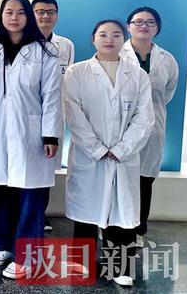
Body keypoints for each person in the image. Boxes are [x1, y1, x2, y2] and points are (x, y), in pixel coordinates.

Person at [0, 0, 61, 279]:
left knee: (29, 195)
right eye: (8, 12)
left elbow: (51, 95)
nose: (14, 17)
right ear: (1, 16)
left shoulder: (45, 52)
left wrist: (51, 135)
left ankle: (28, 256)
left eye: (20, 12)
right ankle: (2, 244)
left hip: (31, 133)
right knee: (0, 192)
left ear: (28, 17)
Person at [64, 19, 154, 287]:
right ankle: (82, 263)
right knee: (86, 213)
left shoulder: (137, 75)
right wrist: (98, 148)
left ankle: (120, 266)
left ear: (123, 40)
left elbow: (144, 117)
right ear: (93, 39)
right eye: (103, 34)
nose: (109, 39)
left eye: (116, 35)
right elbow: (74, 113)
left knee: (122, 213)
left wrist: (121, 149)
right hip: (89, 155)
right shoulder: (76, 72)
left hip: (124, 156)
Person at [120, 7, 179, 247]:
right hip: (121, 128)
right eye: (138, 21)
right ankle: (116, 227)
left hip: (152, 127)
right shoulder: (117, 53)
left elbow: (167, 92)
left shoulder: (167, 59)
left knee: (144, 181)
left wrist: (147, 113)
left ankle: (138, 228)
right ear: (129, 26)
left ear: (157, 28)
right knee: (120, 180)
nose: (144, 26)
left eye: (150, 22)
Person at [32, 0, 75, 232]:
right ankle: (25, 214)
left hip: (54, 116)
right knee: (26, 167)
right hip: (27, 115)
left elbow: (67, 83)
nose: (45, 16)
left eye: (50, 12)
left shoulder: (65, 45)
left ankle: (40, 213)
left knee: (47, 170)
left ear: (57, 15)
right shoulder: (23, 43)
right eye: (40, 12)